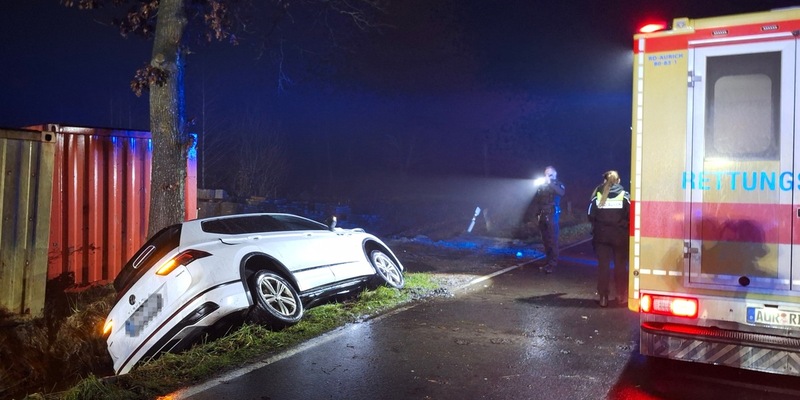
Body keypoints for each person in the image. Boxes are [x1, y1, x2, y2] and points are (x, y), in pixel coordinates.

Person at [587, 170, 630, 307]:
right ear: (618, 180)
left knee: (603, 267)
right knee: (620, 267)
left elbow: (590, 215)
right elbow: (631, 215)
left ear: (604, 181)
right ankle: (620, 295)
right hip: (620, 236)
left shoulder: (598, 195)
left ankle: (603, 297)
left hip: (601, 236)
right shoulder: (625, 195)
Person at [529, 166, 565, 273]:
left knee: (552, 240)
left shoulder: (558, 184)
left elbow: (561, 192)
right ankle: (548, 262)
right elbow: (537, 200)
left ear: (555, 174)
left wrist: (550, 182)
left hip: (552, 215)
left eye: (549, 174)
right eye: (545, 174)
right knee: (545, 241)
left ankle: (553, 263)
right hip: (542, 216)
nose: (547, 176)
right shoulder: (543, 185)